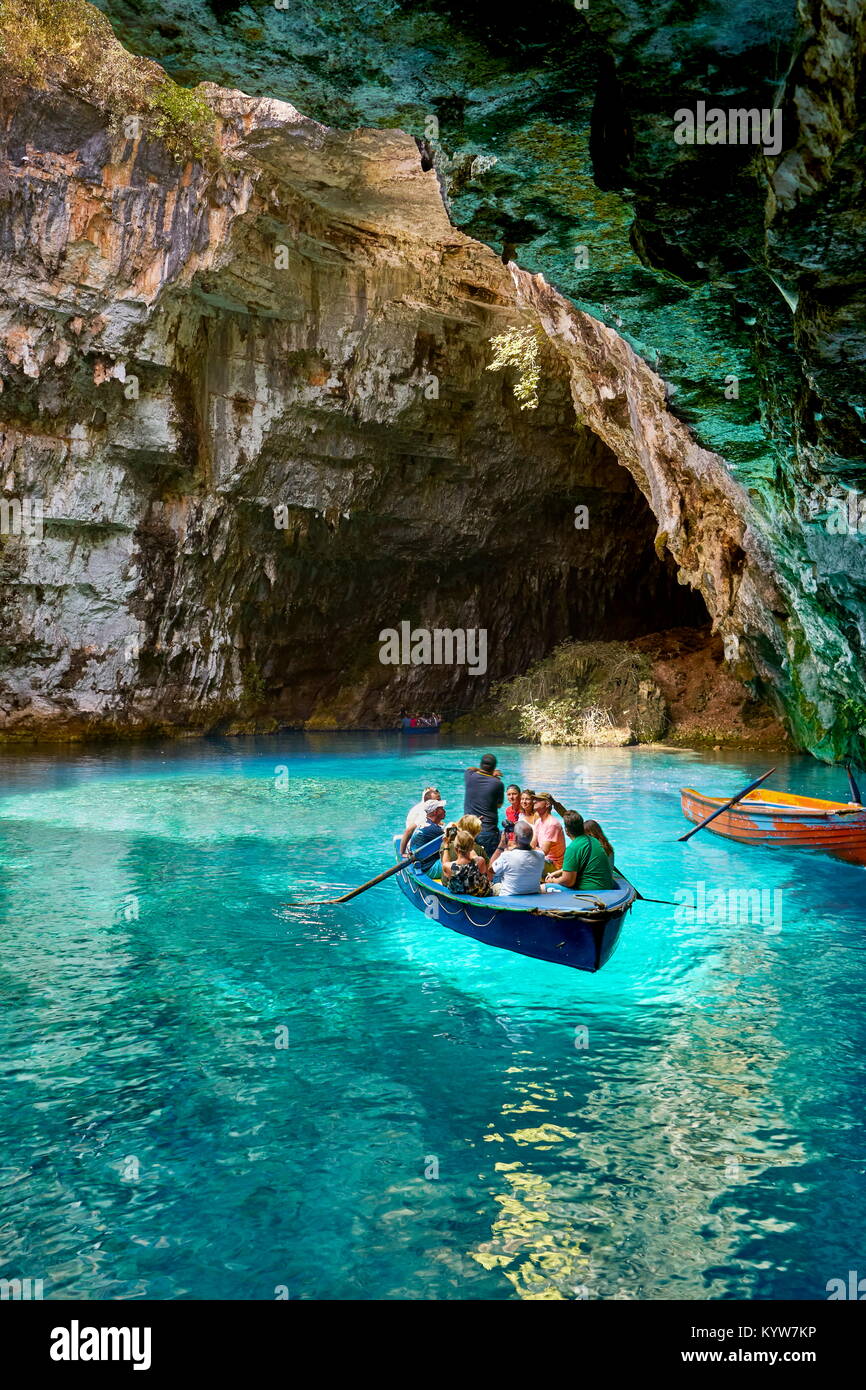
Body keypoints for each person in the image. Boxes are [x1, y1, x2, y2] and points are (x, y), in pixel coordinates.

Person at [545, 811, 616, 892]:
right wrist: (558, 873)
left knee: (544, 888)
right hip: (606, 887)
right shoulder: (594, 841)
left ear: (566, 831)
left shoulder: (572, 848)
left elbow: (568, 882)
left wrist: (553, 881)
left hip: (589, 891)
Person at [463, 753, 505, 858]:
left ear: (481, 765)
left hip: (468, 829)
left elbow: (470, 768)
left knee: (469, 861)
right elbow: (499, 805)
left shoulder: (469, 776)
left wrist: (489, 773)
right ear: (494, 767)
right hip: (487, 831)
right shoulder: (497, 784)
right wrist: (492, 775)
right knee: (489, 863)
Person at [488, 821, 545, 896]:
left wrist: (501, 846)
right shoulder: (541, 855)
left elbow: (490, 870)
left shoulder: (506, 856)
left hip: (509, 896)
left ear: (515, 837)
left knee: (497, 874)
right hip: (533, 893)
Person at [441, 829, 492, 897]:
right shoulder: (480, 861)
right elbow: (473, 855)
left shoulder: (450, 867)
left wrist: (446, 845)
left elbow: (445, 863)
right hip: (480, 897)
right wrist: (466, 839)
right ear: (472, 847)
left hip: (461, 900)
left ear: (456, 849)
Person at [405, 800, 447, 870]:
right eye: (442, 809)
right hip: (428, 868)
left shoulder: (425, 823)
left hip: (422, 863)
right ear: (435, 812)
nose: (444, 811)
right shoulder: (433, 829)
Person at [400, 787, 442, 854]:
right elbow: (408, 831)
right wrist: (403, 853)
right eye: (438, 800)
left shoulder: (423, 808)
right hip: (416, 847)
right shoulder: (423, 814)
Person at [531, 792, 566, 871]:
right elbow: (532, 844)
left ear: (547, 804)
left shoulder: (552, 824)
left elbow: (543, 852)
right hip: (544, 860)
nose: (534, 801)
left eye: (538, 800)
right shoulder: (538, 822)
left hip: (554, 866)